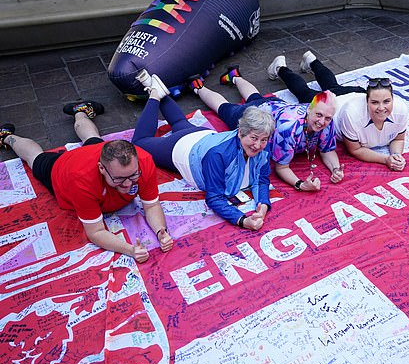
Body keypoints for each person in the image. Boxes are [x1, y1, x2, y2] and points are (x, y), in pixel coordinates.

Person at [0, 101, 173, 263]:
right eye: (119, 179)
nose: (128, 184)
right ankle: (6, 136)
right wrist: (130, 250)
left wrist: (161, 232)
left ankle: (80, 111)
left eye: (133, 176)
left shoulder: (143, 161)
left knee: (93, 139)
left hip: (94, 153)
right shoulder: (81, 180)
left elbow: (151, 206)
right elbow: (96, 232)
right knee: (35, 158)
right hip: (61, 168)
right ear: (102, 168)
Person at [131, 70, 275, 230]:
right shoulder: (218, 155)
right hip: (183, 148)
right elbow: (214, 197)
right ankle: (154, 95)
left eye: (263, 140)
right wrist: (242, 220)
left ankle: (157, 87)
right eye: (254, 138)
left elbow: (262, 179)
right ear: (240, 132)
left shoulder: (263, 146)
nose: (258, 145)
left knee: (179, 122)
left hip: (203, 136)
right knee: (139, 143)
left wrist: (263, 205)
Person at [191, 66, 345, 192]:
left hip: (273, 105)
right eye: (318, 115)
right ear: (309, 110)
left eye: (327, 118)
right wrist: (300, 184)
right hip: (258, 117)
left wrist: (336, 169)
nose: (322, 122)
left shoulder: (325, 118)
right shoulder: (289, 129)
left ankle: (234, 76)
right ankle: (198, 87)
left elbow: (327, 150)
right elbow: (282, 167)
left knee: (255, 96)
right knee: (225, 108)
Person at [268, 52, 408, 171]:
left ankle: (312, 60)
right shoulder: (352, 115)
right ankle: (280, 68)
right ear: (367, 101)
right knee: (304, 92)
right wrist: (385, 159)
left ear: (393, 100)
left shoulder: (401, 110)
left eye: (386, 101)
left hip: (354, 93)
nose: (382, 108)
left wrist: (396, 155)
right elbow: (355, 150)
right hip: (337, 103)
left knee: (333, 85)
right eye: (375, 102)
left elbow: (399, 138)